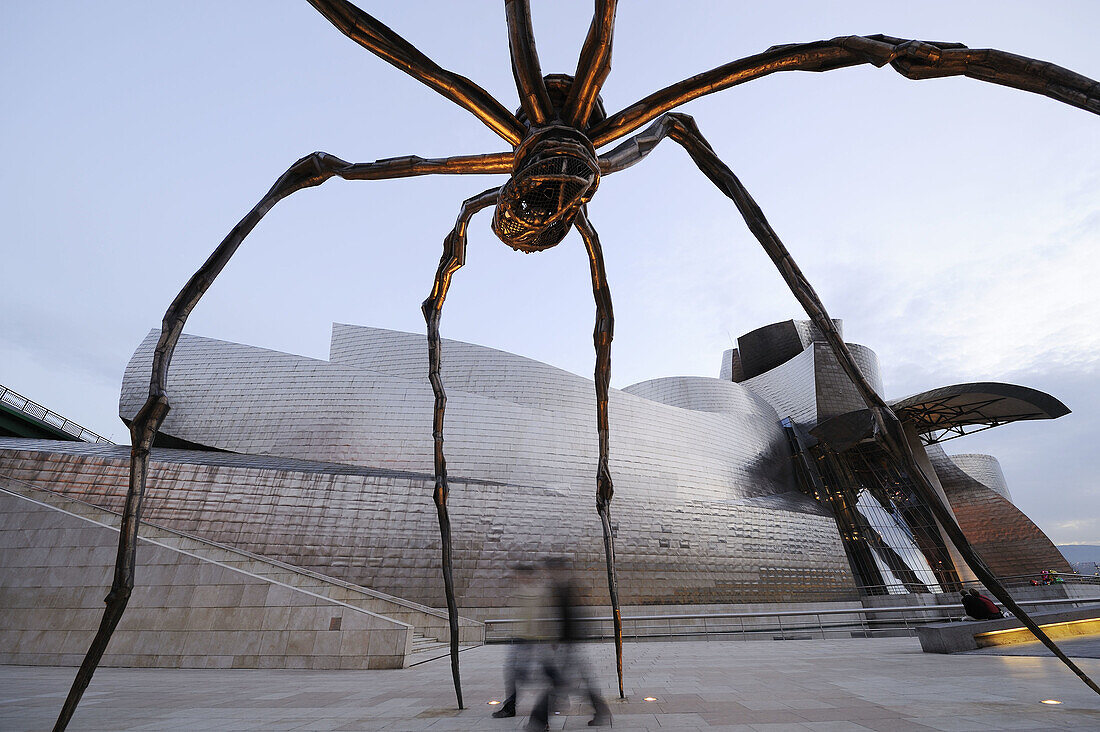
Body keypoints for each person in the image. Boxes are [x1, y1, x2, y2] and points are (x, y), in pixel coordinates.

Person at [526, 558, 611, 730]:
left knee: (558, 683)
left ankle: (538, 721)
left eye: (552, 569)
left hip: (568, 645)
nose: (550, 574)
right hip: (563, 644)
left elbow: (580, 614)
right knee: (574, 681)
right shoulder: (558, 588)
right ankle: (601, 711)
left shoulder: (569, 587)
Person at [492, 564, 545, 719]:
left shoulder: (530, 593)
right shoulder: (526, 591)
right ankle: (511, 705)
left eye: (520, 575)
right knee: (517, 673)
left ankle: (511, 707)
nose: (517, 578)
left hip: (526, 640)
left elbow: (531, 617)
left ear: (526, 576)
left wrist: (528, 636)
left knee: (516, 673)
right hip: (524, 638)